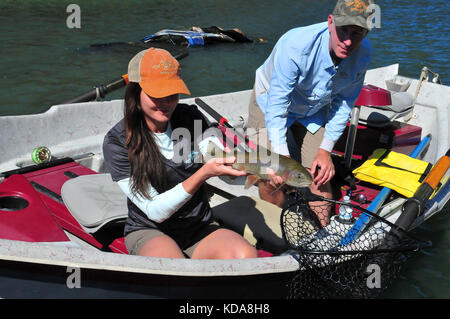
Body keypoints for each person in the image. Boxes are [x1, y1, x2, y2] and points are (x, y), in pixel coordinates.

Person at [103, 48, 257, 259]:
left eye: (172, 93)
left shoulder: (190, 117)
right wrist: (203, 173)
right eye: (157, 94)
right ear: (135, 93)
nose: (166, 102)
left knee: (245, 255)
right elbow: (155, 211)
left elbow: (216, 158)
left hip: (197, 226)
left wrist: (259, 174)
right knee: (175, 267)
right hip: (150, 229)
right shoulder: (118, 142)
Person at [247, 0, 375, 226]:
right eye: (343, 30)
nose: (347, 41)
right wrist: (281, 154)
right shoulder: (296, 45)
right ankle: (278, 234)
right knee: (271, 178)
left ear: (366, 33)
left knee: (320, 175)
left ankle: (322, 234)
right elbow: (277, 104)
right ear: (330, 22)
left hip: (312, 111)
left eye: (357, 33)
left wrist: (325, 151)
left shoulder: (363, 55)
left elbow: (344, 102)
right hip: (269, 104)